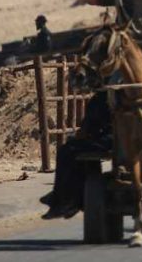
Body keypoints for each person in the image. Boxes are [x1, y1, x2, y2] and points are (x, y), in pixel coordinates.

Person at [40, 91, 112, 220]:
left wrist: (83, 133)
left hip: (107, 141)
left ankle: (64, 199)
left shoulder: (103, 97)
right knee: (75, 149)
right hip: (112, 139)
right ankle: (66, 197)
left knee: (67, 151)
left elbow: (88, 128)